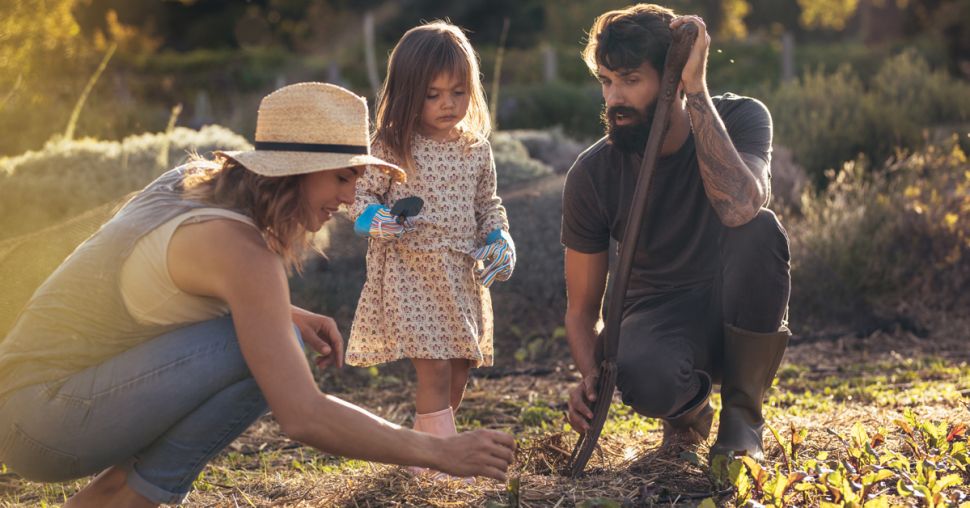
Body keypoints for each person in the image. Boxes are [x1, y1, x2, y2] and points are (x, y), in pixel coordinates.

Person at [0, 82, 515, 507]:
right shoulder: (243, 252)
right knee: (263, 355)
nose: (346, 198)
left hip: (26, 402)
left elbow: (149, 285)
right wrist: (439, 452)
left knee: (270, 336)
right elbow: (303, 415)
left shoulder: (192, 184)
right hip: (45, 418)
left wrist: (281, 311)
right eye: (341, 178)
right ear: (291, 172)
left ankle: (112, 499)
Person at [561, 4, 791, 462]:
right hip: (656, 314)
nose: (613, 99)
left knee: (760, 229)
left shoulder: (743, 118)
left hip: (733, 302)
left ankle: (742, 419)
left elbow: (741, 206)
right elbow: (582, 308)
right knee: (645, 375)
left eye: (630, 80)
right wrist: (590, 376)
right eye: (607, 81)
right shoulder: (592, 173)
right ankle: (689, 413)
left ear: (672, 78)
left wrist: (696, 91)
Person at [345, 21, 515, 477]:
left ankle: (420, 457)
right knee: (435, 371)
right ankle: (438, 470)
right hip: (412, 270)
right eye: (433, 94)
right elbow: (361, 199)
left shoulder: (475, 149)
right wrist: (377, 220)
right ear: (408, 92)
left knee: (457, 373)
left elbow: (488, 205)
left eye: (458, 92)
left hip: (460, 274)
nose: (447, 104)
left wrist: (500, 237)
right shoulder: (392, 145)